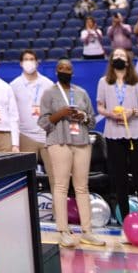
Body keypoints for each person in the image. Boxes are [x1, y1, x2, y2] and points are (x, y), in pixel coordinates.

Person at [38, 58, 102, 249]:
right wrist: (62, 113)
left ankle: (87, 231)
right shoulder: (49, 93)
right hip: (59, 142)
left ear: (72, 72)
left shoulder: (81, 92)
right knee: (61, 186)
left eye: (68, 68)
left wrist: (82, 116)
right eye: (61, 68)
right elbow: (43, 122)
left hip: (81, 141)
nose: (65, 70)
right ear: (56, 71)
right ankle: (63, 231)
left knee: (82, 187)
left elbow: (92, 121)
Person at [96, 49, 138, 230]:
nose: (118, 58)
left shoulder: (136, 83)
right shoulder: (103, 82)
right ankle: (126, 223)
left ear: (128, 61)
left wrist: (132, 112)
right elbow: (100, 106)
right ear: (111, 61)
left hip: (135, 135)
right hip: (113, 136)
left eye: (122, 56)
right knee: (120, 180)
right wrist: (110, 114)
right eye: (116, 56)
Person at [10, 49, 55, 187]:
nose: (29, 62)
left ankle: (58, 206)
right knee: (26, 180)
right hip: (26, 136)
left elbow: (54, 109)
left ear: (37, 63)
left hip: (46, 136)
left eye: (31, 59)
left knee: (55, 178)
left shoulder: (48, 84)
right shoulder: (13, 86)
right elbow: (12, 114)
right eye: (26, 59)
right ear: (21, 63)